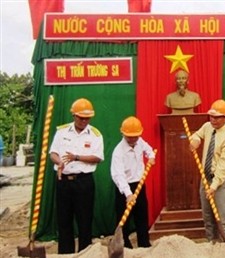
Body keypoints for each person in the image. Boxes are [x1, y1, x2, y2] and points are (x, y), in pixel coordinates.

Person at [49, 98, 104, 254]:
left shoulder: (95, 135)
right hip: (63, 181)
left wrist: (77, 157)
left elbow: (98, 157)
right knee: (64, 221)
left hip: (83, 182)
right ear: (73, 115)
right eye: (81, 117)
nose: (84, 121)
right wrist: (59, 162)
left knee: (85, 220)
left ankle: (85, 254)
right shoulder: (62, 132)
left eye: (87, 118)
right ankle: (65, 254)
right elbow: (53, 153)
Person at [189, 99, 225, 242]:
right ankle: (212, 245)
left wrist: (213, 186)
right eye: (211, 116)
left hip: (221, 182)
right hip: (205, 179)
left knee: (224, 218)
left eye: (217, 117)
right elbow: (197, 135)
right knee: (208, 218)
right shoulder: (207, 126)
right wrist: (195, 140)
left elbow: (223, 166)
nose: (213, 120)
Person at [110, 116, 155, 248]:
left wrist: (151, 157)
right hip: (124, 188)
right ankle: (124, 245)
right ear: (123, 134)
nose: (133, 139)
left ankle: (144, 243)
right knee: (124, 218)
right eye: (130, 137)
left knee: (142, 216)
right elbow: (118, 176)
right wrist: (128, 194)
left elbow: (149, 149)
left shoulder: (139, 141)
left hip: (139, 185)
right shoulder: (118, 152)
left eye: (136, 136)